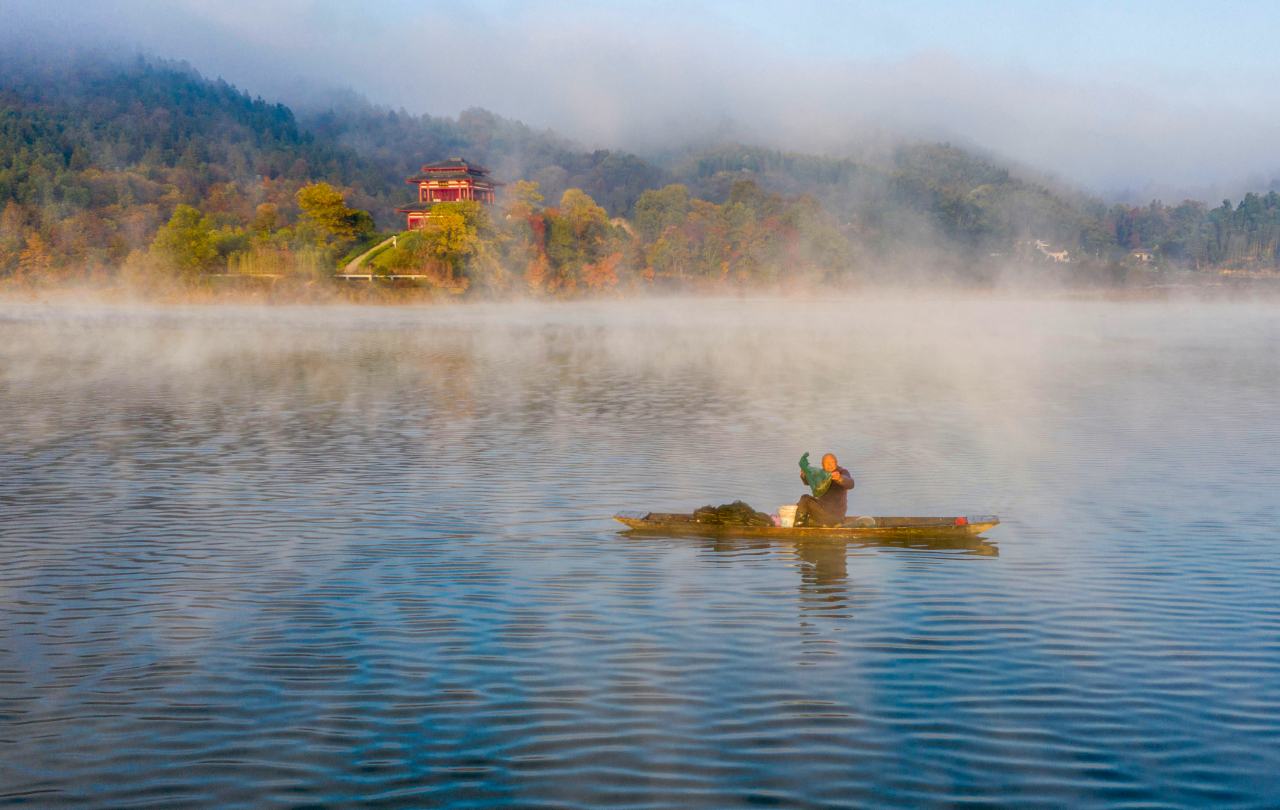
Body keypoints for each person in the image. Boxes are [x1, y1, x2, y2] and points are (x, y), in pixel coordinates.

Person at [795, 453, 855, 527]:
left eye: (832, 462)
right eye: (826, 463)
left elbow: (851, 484)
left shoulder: (842, 472)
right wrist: (804, 475)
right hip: (825, 512)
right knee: (806, 499)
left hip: (833, 516)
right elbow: (808, 482)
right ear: (822, 464)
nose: (830, 465)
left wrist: (840, 478)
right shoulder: (821, 474)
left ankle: (798, 527)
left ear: (836, 463)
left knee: (804, 500)